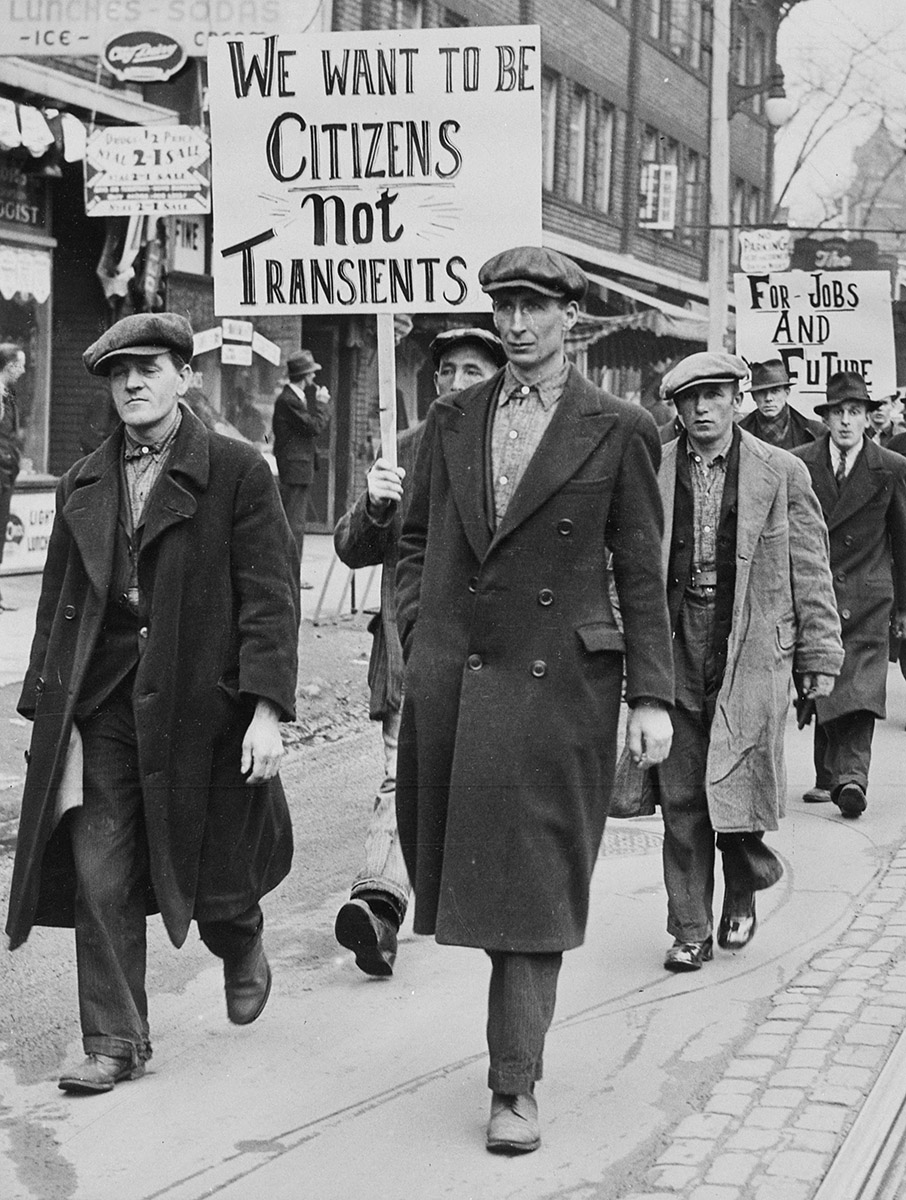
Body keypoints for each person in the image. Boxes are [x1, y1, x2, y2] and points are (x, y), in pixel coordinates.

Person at [395, 246, 675, 1154]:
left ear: (571, 319)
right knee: (466, 877)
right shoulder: (452, 417)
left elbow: (641, 570)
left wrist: (653, 696)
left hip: (563, 688)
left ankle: (513, 1084)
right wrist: (417, 634)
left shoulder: (619, 427)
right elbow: (413, 541)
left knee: (535, 891)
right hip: (463, 682)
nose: (516, 324)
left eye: (534, 307)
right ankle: (512, 1058)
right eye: (504, 306)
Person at [5, 313, 300, 1094]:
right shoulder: (83, 481)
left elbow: (271, 599)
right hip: (104, 709)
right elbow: (59, 604)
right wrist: (44, 710)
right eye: (118, 373)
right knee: (100, 870)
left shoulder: (238, 472)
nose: (131, 384)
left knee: (213, 868)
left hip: (205, 708)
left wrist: (267, 709)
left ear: (184, 377)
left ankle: (238, 940)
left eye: (149, 369)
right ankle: (114, 1039)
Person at [646, 352, 842, 972]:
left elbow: (810, 566)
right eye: (689, 399)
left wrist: (818, 652)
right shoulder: (652, 467)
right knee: (681, 797)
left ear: (739, 399)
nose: (702, 409)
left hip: (754, 646)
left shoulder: (780, 471)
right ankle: (689, 929)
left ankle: (742, 884)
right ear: (676, 409)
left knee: (737, 786)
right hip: (674, 643)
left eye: (714, 396)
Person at [333, 327, 506, 977]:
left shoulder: (512, 456)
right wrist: (376, 506)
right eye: (447, 371)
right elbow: (352, 548)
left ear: (497, 380)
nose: (457, 382)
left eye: (473, 371)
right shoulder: (400, 453)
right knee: (401, 779)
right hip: (411, 655)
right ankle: (378, 905)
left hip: (493, 658)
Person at [793, 371, 906, 815]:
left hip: (869, 597)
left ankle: (852, 778)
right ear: (826, 417)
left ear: (867, 419)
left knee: (859, 690)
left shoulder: (891, 469)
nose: (845, 422)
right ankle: (831, 774)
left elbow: (903, 539)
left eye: (854, 412)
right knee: (823, 680)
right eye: (837, 412)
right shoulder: (800, 463)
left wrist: (904, 605)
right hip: (817, 594)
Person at [272, 349, 331, 582]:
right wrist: (322, 405)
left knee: (294, 524)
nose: (314, 379)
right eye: (311, 374)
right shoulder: (289, 400)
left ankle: (289, 574)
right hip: (295, 469)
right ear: (305, 375)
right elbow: (314, 427)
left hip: (297, 468)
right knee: (294, 526)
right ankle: (291, 577)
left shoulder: (293, 398)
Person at [737, 358, 823, 449]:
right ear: (753, 396)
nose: (768, 398)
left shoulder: (815, 432)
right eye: (762, 392)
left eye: (775, 391)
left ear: (787, 392)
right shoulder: (739, 432)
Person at [0, 343, 26, 610]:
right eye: (20, 364)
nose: (23, 370)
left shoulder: (9, 395)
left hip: (6, 471)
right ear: (9, 366)